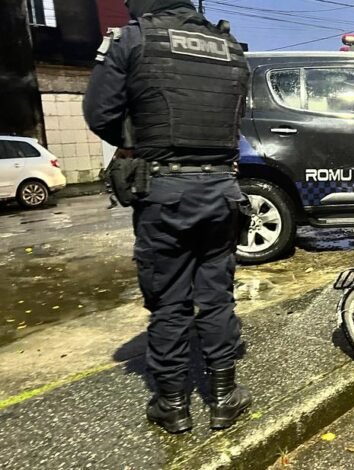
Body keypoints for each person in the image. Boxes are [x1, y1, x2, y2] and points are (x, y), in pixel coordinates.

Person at [83, 0, 252, 433]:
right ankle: (224, 399)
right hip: (221, 190)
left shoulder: (132, 38)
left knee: (170, 302)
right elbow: (237, 114)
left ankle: (173, 406)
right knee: (216, 296)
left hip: (164, 191)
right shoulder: (229, 45)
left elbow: (99, 115)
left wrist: (140, 132)